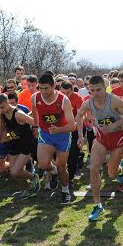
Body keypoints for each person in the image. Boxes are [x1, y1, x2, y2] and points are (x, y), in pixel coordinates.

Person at [76, 75, 123, 221]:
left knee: (111, 174)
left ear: (105, 88)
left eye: (98, 90)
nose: (95, 93)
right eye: (92, 90)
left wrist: (112, 126)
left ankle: (121, 170)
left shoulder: (115, 100)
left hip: (117, 137)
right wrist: (80, 136)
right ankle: (97, 205)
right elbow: (79, 115)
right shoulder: (88, 103)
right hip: (101, 138)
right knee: (93, 168)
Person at [31, 73, 76, 204]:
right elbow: (34, 110)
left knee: (62, 167)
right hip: (46, 134)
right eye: (41, 88)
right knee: (43, 164)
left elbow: (73, 125)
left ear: (53, 86)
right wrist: (36, 125)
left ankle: (65, 190)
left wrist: (59, 129)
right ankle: (53, 171)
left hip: (63, 135)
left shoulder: (63, 100)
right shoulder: (35, 97)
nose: (43, 92)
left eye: (46, 88)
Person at [0, 94, 39, 197]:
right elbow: (7, 129)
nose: (0, 110)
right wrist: (6, 136)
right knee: (14, 173)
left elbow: (35, 122)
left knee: (15, 172)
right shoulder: (2, 114)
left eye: (2, 107)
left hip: (26, 144)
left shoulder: (18, 114)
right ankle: (27, 189)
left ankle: (33, 177)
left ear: (7, 102)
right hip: (13, 144)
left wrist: (36, 130)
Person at [61, 81, 84, 182]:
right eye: (63, 93)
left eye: (68, 93)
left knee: (73, 153)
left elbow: (79, 116)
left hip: (74, 127)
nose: (66, 95)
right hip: (60, 129)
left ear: (72, 89)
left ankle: (70, 177)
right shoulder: (57, 97)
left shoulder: (77, 97)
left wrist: (80, 134)